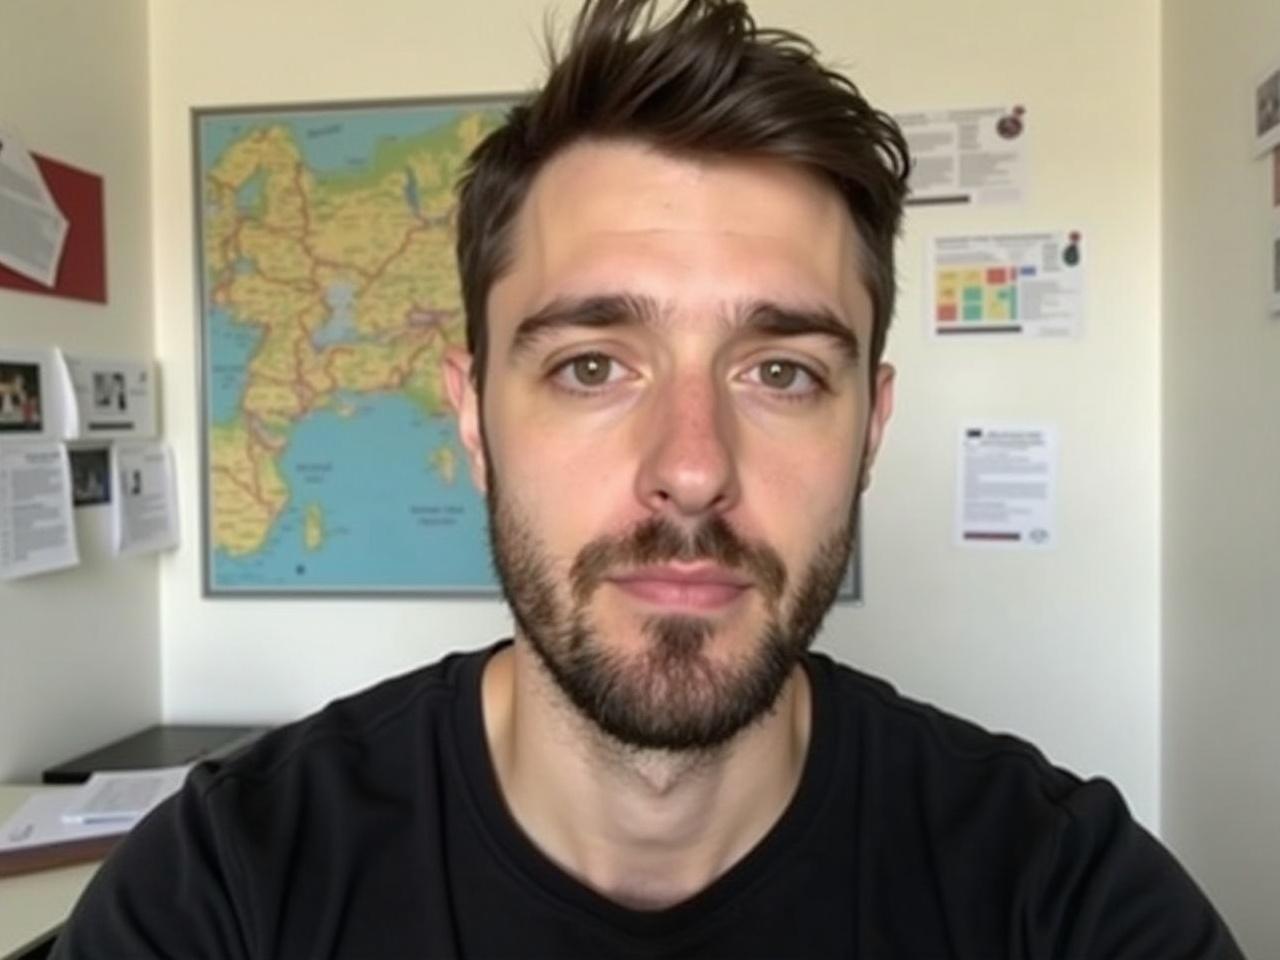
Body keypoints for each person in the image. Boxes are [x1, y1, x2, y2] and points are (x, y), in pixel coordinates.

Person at [53, 1, 1243, 957]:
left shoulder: (1060, 894)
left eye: (779, 369)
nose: (689, 469)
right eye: (589, 365)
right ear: (471, 417)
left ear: (870, 428)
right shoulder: (223, 891)